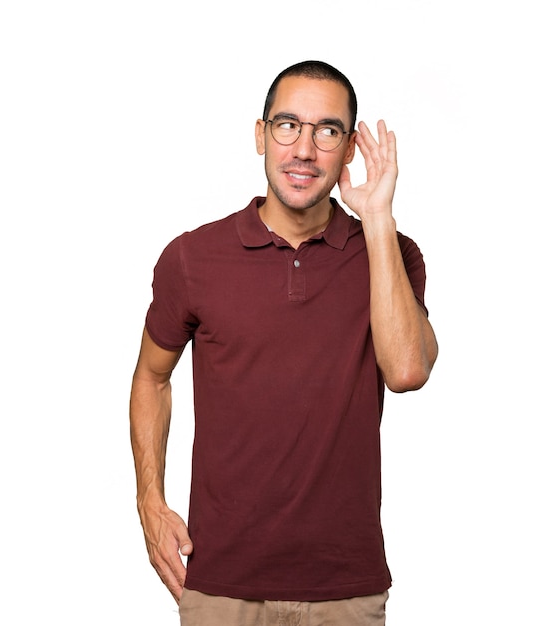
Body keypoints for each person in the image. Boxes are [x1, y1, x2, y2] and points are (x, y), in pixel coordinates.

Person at [130, 60, 438, 626]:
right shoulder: (193, 259)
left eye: (327, 131)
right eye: (287, 125)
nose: (303, 148)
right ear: (260, 135)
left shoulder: (393, 253)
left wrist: (375, 219)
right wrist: (150, 502)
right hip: (221, 585)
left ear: (349, 150)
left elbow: (407, 371)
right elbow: (152, 376)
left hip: (346, 588)